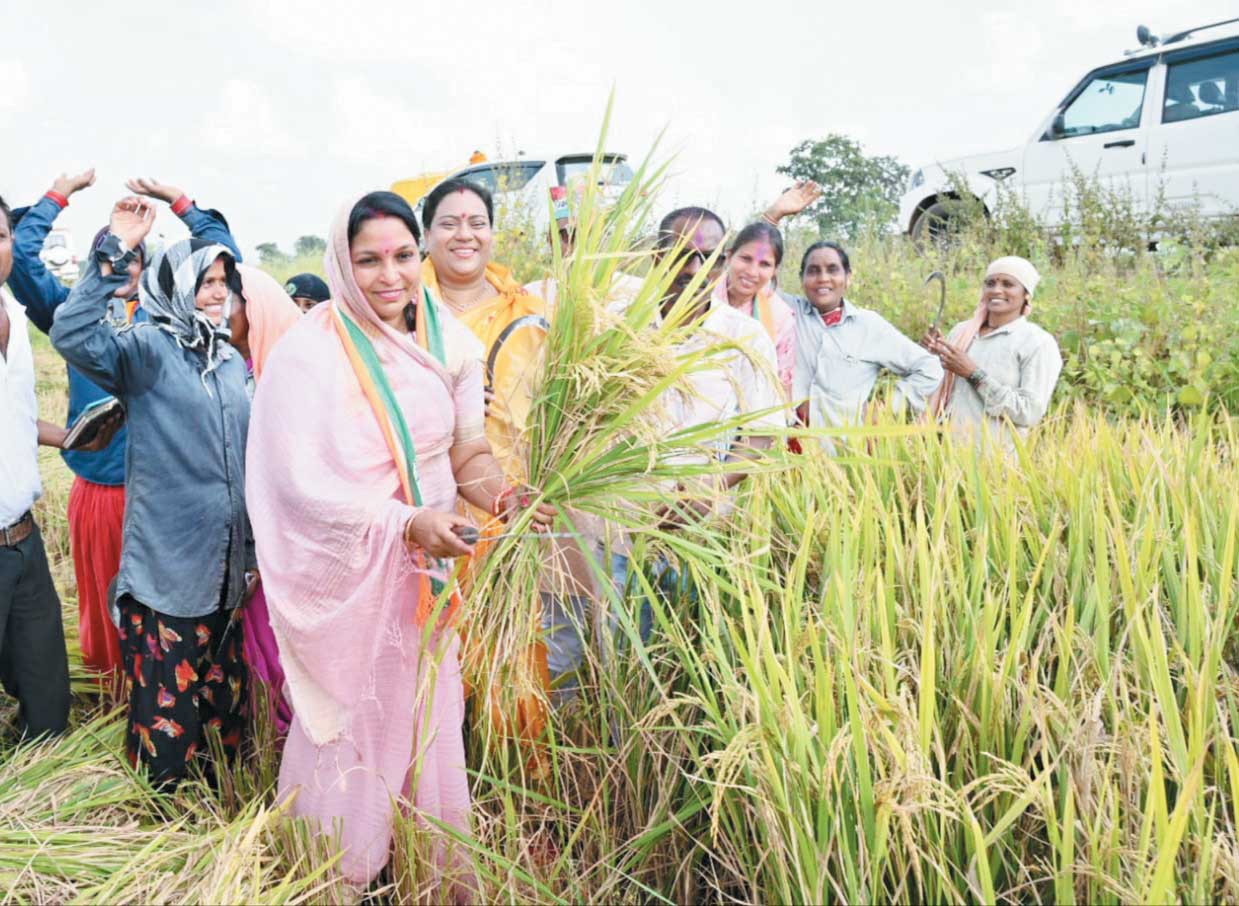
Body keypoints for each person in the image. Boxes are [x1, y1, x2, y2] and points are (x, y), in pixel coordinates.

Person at [246, 191, 551, 892]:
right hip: (357, 579)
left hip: (430, 585)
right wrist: (403, 522)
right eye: (369, 260)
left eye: (403, 256)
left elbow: (466, 451)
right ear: (342, 264)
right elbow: (295, 483)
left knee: (427, 721)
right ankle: (335, 872)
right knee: (352, 724)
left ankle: (419, 869)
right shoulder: (310, 352)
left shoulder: (451, 342)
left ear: (421, 255)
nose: (390, 275)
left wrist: (503, 494)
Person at [51, 196, 254, 786]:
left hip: (228, 576)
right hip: (169, 579)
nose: (219, 293)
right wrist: (114, 252)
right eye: (205, 283)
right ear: (174, 286)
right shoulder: (147, 351)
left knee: (223, 723)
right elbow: (72, 333)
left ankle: (221, 829)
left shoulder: (228, 361)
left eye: (224, 282)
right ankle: (166, 839)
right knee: (168, 732)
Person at [8, 171, 240, 685]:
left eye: (136, 256)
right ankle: (119, 700)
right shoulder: (75, 314)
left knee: (175, 618)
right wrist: (57, 196)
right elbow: (18, 259)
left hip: (169, 500)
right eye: (115, 257)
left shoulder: (176, 322)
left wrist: (180, 201)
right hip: (107, 490)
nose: (126, 266)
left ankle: (165, 697)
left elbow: (222, 261)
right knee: (105, 609)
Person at [1, 194, 116, 740]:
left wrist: (72, 437)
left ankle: (36, 771)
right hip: (26, 529)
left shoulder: (18, 322)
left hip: (23, 538)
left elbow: (15, 417)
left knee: (47, 700)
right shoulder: (50, 314)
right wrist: (58, 191)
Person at [229, 265, 302, 736]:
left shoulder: (285, 379)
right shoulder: (225, 368)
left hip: (282, 545)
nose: (217, 308)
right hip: (238, 536)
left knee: (282, 656)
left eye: (230, 299)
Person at [791, 241, 943, 447]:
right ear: (802, 279)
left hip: (846, 454)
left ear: (848, 278)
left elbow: (930, 368)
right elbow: (753, 273)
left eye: (833, 270)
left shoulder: (869, 326)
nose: (823, 278)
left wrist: (885, 408)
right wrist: (774, 216)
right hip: (789, 453)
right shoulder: (788, 311)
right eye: (813, 271)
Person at [923, 256, 1063, 451]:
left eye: (1008, 284)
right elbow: (941, 388)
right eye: (990, 283)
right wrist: (934, 355)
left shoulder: (1036, 343)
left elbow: (1029, 413)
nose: (996, 290)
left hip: (995, 462)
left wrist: (974, 374)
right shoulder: (962, 332)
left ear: (1026, 295)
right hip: (945, 455)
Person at [712, 222, 796, 399]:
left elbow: (781, 383)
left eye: (764, 264)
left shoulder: (780, 317)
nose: (752, 272)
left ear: (775, 270)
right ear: (729, 257)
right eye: (745, 259)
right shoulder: (702, 295)